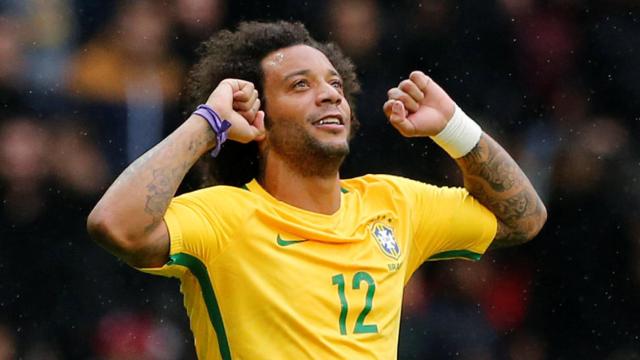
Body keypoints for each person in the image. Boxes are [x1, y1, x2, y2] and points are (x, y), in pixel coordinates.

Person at [87, 21, 547, 359]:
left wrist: (456, 129)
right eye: (300, 86)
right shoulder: (224, 216)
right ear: (257, 118)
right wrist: (209, 124)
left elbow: (523, 219)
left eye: (335, 84)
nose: (329, 95)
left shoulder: (396, 204)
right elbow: (115, 226)